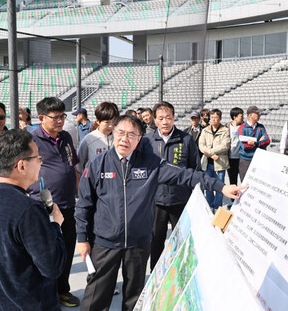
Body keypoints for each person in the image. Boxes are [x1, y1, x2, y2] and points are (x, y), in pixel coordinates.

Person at [75, 115, 246, 311]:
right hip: (105, 242)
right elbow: (84, 204)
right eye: (121, 132)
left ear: (140, 139)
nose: (125, 139)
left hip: (139, 243)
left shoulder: (152, 164)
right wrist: (82, 238)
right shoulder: (97, 164)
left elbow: (186, 175)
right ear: (113, 133)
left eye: (131, 134)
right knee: (96, 296)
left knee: (135, 298)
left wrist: (221, 187)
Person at [0, 129, 66, 311]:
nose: (41, 162)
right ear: (21, 165)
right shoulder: (29, 210)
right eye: (38, 157)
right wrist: (55, 225)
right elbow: (52, 266)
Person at [28, 97, 80, 307]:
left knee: (67, 249)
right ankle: (45, 294)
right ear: (41, 118)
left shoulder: (66, 136)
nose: (60, 121)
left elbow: (72, 167)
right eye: (55, 117)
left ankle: (62, 290)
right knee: (46, 254)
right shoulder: (32, 140)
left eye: (62, 116)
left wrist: (80, 196)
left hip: (68, 205)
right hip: (45, 207)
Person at [143, 102, 201, 271]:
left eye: (168, 117)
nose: (165, 121)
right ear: (154, 119)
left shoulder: (186, 139)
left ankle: (181, 274)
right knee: (155, 242)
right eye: (160, 118)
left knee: (181, 242)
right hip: (155, 202)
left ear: (174, 117)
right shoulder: (147, 141)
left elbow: (195, 169)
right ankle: (156, 276)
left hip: (180, 200)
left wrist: (196, 198)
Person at [198, 109, 231, 210]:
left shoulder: (225, 130)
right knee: (208, 186)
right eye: (211, 117)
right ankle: (209, 205)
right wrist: (211, 154)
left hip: (220, 163)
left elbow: (225, 145)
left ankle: (217, 206)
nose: (213, 119)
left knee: (220, 186)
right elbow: (201, 145)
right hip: (207, 163)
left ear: (220, 118)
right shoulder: (205, 130)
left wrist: (210, 152)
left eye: (215, 117)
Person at [77, 102, 119, 174]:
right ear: (98, 121)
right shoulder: (88, 139)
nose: (111, 126)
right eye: (107, 122)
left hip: (115, 182)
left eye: (114, 122)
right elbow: (79, 165)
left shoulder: (119, 138)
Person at [238, 105, 270, 182]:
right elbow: (245, 146)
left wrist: (255, 143)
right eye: (257, 113)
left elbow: (267, 141)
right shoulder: (242, 128)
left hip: (259, 159)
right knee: (245, 183)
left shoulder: (260, 127)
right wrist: (260, 143)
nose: (260, 115)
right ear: (251, 115)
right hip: (246, 160)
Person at [227, 107, 244, 186]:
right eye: (241, 116)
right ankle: (233, 198)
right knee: (233, 181)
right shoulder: (226, 127)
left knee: (244, 180)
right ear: (235, 117)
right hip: (230, 158)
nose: (243, 118)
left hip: (241, 158)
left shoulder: (244, 127)